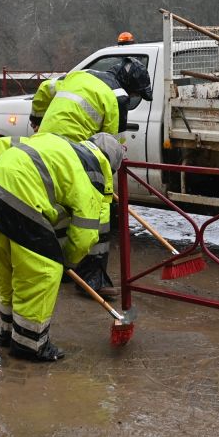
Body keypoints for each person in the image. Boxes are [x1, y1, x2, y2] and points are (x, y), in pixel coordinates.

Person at [0, 131, 125, 362]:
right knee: (44, 272)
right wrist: (66, 263)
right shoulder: (92, 174)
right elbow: (85, 237)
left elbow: (0, 145)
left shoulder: (58, 142)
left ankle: (9, 333)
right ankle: (30, 345)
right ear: (110, 165)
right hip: (21, 201)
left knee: (10, 274)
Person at [29, 57, 153, 298]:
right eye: (135, 92)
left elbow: (45, 89)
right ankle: (91, 278)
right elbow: (110, 148)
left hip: (44, 148)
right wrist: (106, 190)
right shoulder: (118, 98)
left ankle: (61, 268)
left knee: (59, 209)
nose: (133, 96)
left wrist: (36, 119)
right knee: (98, 215)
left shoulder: (79, 75)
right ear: (129, 85)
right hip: (75, 156)